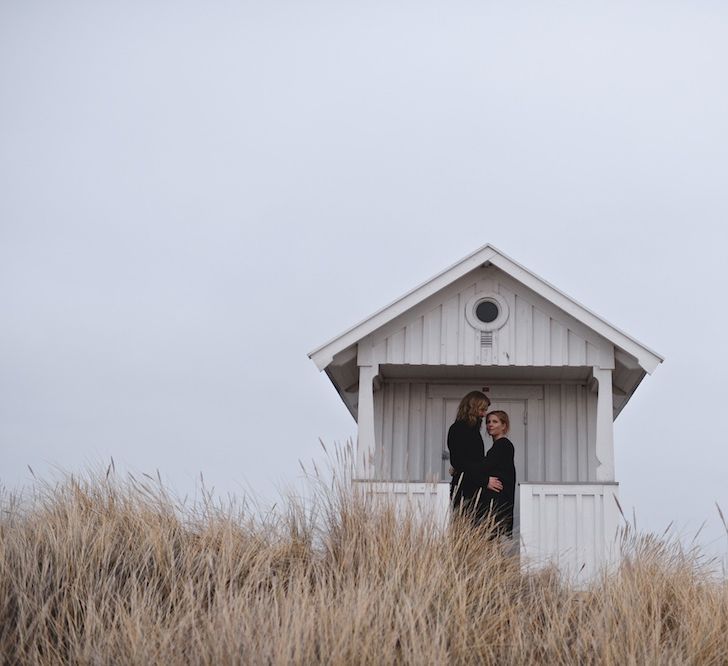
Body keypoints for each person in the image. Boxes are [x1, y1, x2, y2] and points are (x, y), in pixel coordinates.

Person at [447, 391, 503, 524]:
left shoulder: (472, 430)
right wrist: (484, 480)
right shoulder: (459, 429)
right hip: (465, 490)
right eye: (482, 410)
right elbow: (459, 462)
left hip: (473, 488)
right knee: (464, 528)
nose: (484, 414)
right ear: (472, 407)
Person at [481, 410, 516, 536]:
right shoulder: (498, 446)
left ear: (504, 426)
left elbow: (485, 466)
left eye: (495, 422)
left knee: (492, 535)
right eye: (488, 422)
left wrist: (463, 466)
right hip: (498, 497)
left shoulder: (503, 445)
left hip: (498, 498)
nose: (490, 424)